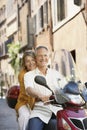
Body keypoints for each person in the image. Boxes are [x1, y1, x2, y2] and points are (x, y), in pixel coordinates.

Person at [24, 46, 67, 130]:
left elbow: (65, 87)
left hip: (58, 109)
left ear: (49, 57)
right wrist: (40, 95)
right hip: (40, 111)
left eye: (45, 55)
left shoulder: (56, 74)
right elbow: (29, 89)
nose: (43, 58)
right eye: (40, 56)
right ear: (35, 58)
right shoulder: (29, 75)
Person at [15, 50, 36, 130]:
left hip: (38, 102)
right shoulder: (22, 75)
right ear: (24, 64)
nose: (31, 63)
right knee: (25, 116)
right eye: (27, 61)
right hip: (25, 102)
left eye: (32, 60)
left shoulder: (40, 71)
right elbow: (29, 94)